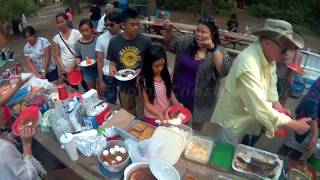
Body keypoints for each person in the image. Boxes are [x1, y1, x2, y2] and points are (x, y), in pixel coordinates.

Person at [211, 19, 311, 146]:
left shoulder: (269, 57)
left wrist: (278, 106)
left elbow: (271, 84)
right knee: (223, 155)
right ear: (268, 43)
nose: (288, 54)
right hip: (233, 121)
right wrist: (293, 124)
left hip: (247, 116)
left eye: (291, 50)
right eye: (285, 49)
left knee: (237, 152)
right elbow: (259, 107)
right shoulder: (248, 64)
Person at [164, 16, 231, 131]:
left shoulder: (219, 50)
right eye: (197, 31)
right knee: (176, 127)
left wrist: (212, 48)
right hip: (178, 95)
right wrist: (168, 30)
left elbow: (224, 70)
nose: (199, 34)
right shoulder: (187, 42)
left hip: (201, 101)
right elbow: (170, 44)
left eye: (203, 32)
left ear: (212, 34)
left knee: (195, 132)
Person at [108, 8, 151, 119]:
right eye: (132, 25)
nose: (136, 27)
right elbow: (112, 60)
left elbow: (152, 61)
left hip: (142, 85)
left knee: (143, 115)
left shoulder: (145, 41)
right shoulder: (114, 42)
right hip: (124, 86)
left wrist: (143, 70)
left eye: (137, 24)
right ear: (123, 25)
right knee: (128, 114)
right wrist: (112, 66)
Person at [0, 77, 46, 180]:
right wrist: (27, 144)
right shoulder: (4, 149)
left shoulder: (3, 141)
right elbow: (28, 177)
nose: (3, 107)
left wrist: (12, 135)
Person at [278, 77, 320, 160]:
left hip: (315, 127)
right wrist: (315, 134)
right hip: (306, 121)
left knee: (297, 156)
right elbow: (310, 102)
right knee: (286, 149)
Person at [140, 45, 180, 126]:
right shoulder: (143, 80)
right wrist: (158, 113)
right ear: (148, 64)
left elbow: (170, 90)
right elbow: (147, 103)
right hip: (152, 116)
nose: (160, 69)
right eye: (156, 66)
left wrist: (176, 103)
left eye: (162, 65)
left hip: (167, 113)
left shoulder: (167, 72)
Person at [53, 13, 88, 91]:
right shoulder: (57, 38)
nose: (60, 24)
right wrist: (63, 68)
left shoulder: (76, 33)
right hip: (67, 70)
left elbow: (81, 50)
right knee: (74, 90)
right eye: (58, 23)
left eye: (62, 22)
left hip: (78, 66)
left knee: (86, 87)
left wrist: (73, 66)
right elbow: (58, 55)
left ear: (67, 21)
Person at [96, 12, 121, 103]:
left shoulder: (125, 37)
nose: (109, 27)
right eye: (107, 25)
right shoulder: (101, 38)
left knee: (126, 101)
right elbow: (99, 61)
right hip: (108, 75)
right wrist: (100, 80)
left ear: (119, 23)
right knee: (110, 101)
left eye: (111, 25)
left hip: (124, 74)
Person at [75, 19, 98, 90]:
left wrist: (97, 60)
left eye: (87, 30)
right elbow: (78, 57)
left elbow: (101, 55)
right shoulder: (78, 43)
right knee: (92, 91)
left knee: (101, 90)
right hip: (86, 70)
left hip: (98, 68)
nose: (85, 33)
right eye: (82, 31)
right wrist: (78, 61)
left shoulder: (97, 40)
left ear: (91, 29)